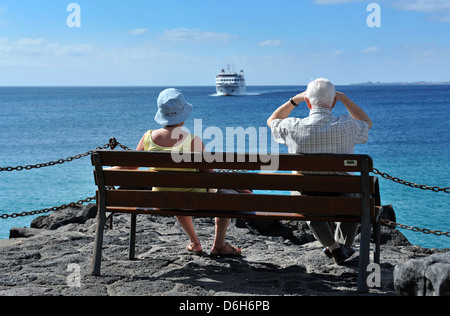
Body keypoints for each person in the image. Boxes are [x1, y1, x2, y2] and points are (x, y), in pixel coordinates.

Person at [115, 88, 242, 257]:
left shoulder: (148, 137)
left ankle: (195, 243)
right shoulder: (192, 140)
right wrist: (238, 187)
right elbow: (209, 176)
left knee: (174, 189)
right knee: (223, 194)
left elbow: (130, 168)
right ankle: (219, 245)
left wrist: (106, 171)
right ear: (183, 115)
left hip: (162, 199)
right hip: (193, 200)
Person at [267, 78, 373, 265]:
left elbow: (272, 120)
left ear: (308, 102)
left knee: (306, 199)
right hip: (343, 195)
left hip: (307, 196)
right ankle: (342, 246)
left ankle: (333, 248)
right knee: (355, 195)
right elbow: (366, 122)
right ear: (333, 102)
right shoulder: (347, 125)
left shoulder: (292, 126)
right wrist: (345, 99)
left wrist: (294, 100)